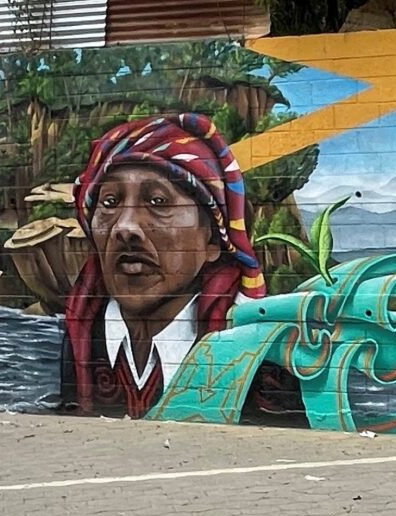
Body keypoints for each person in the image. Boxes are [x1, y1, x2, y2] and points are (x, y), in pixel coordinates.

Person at [59, 113, 296, 421]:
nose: (125, 227)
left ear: (213, 240)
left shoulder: (255, 357)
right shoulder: (82, 334)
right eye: (109, 202)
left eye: (158, 202)